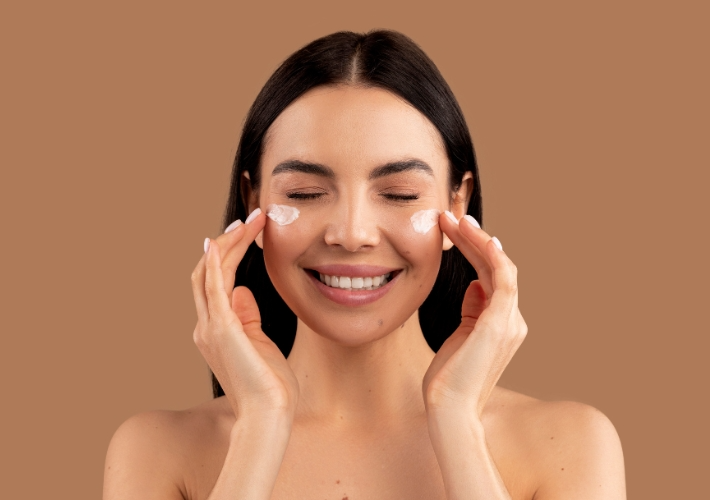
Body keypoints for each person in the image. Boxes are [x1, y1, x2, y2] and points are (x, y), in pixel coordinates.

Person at [103, 30, 626, 499]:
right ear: (251, 202)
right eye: (305, 192)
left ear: (457, 205)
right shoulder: (156, 451)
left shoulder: (572, 445)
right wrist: (260, 427)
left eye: (398, 194)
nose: (351, 234)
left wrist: (456, 421)